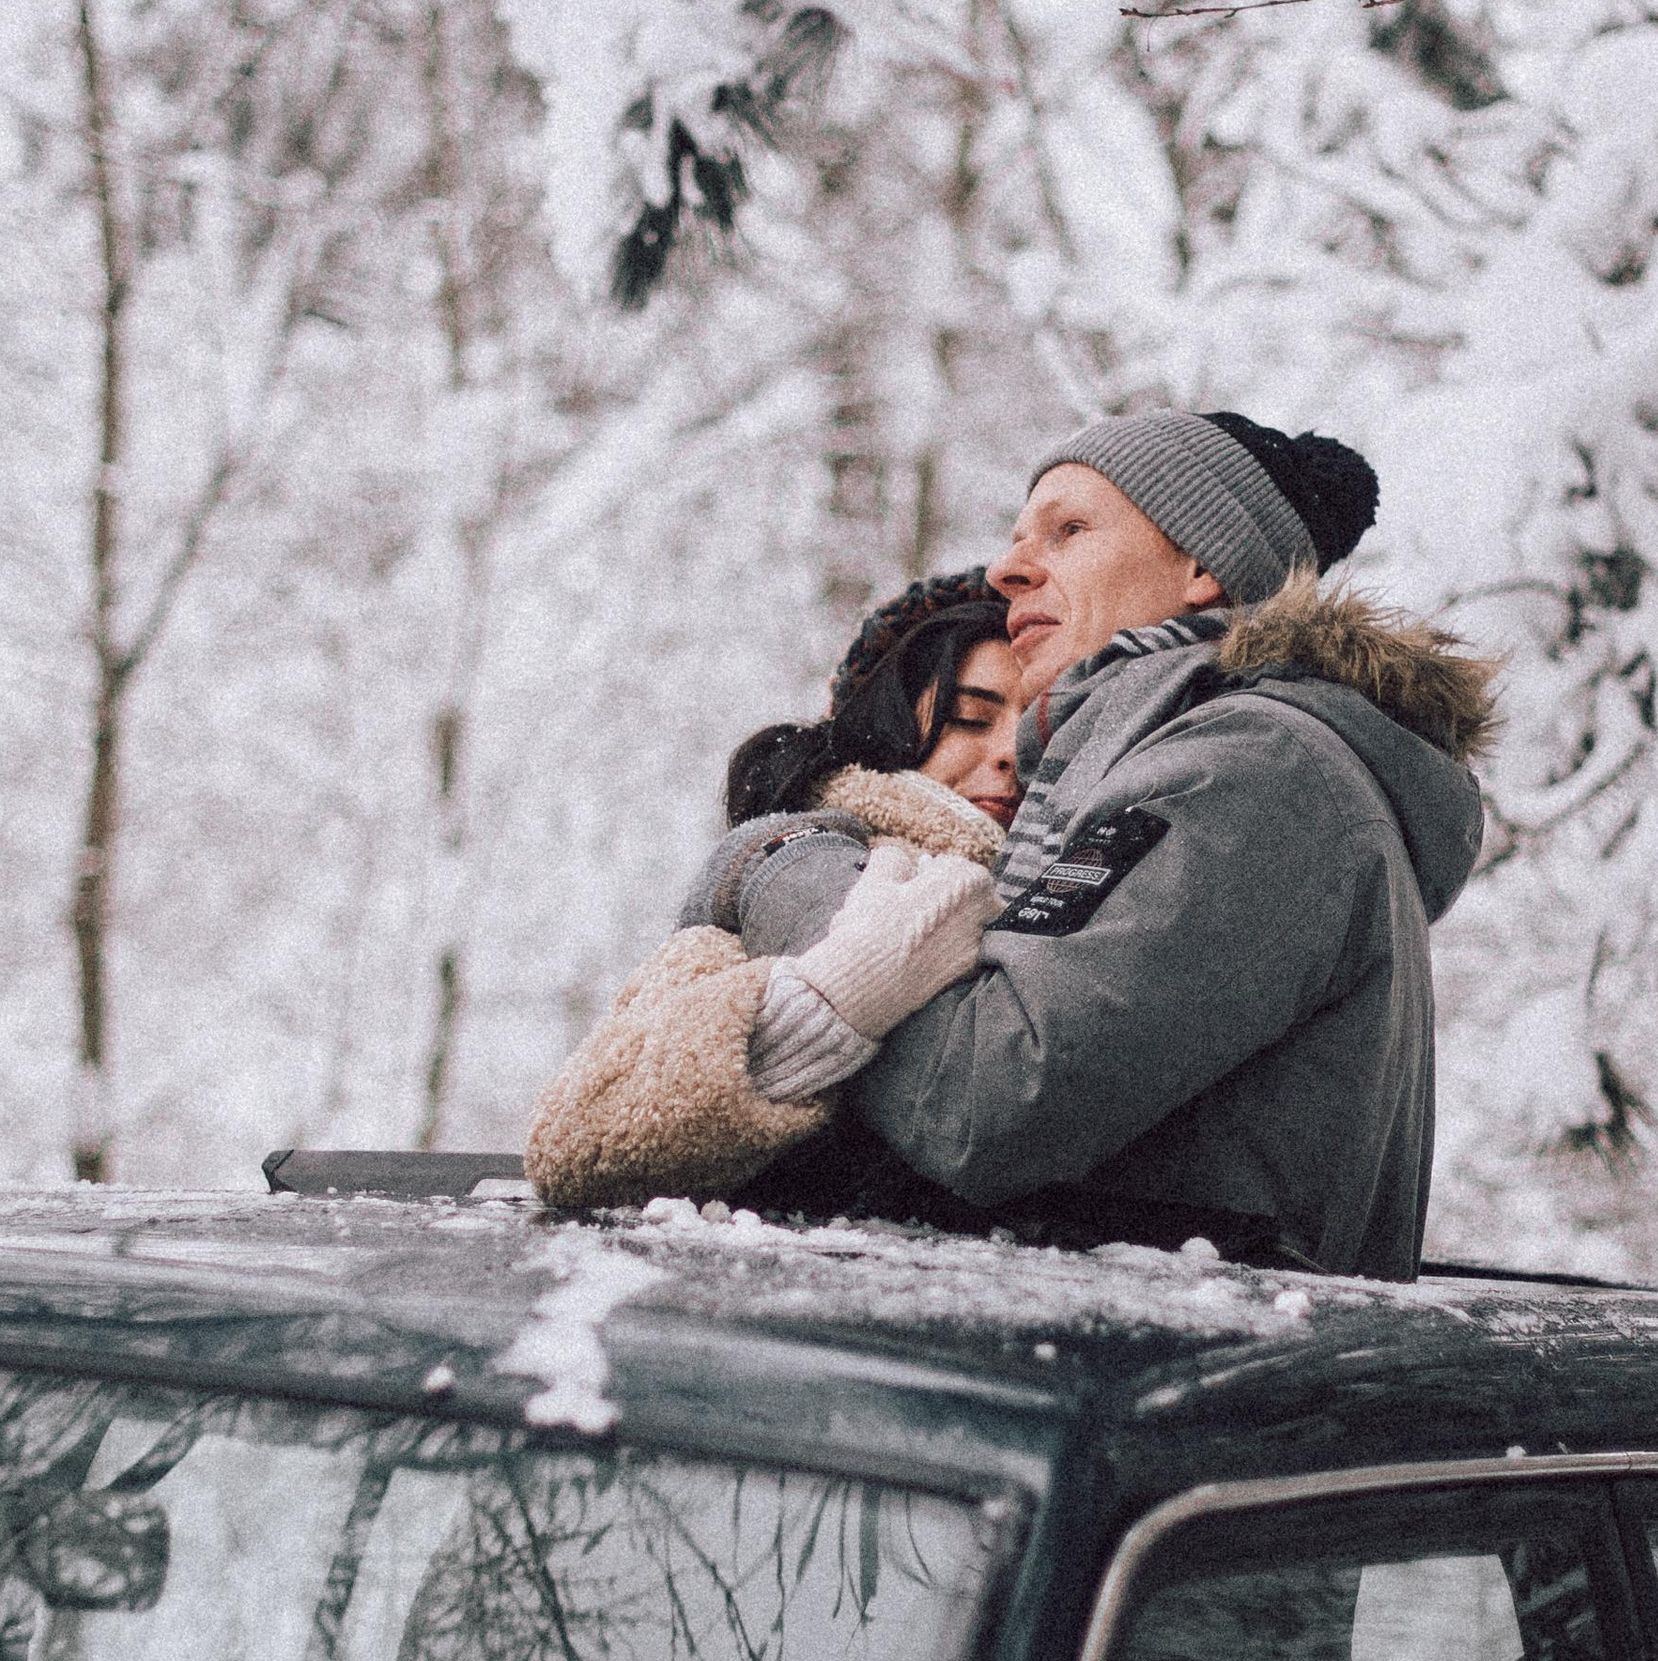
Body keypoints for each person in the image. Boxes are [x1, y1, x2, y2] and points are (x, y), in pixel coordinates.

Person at [531, 409, 1496, 1276]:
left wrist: (781, 865)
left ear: (1202, 568)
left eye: (1069, 530)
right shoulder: (1187, 761)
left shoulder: (1247, 772)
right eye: (1018, 533)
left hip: (1150, 1390)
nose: (1008, 569)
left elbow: (983, 1092)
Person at [522, 574, 1021, 1213]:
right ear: (887, 725)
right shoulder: (803, 853)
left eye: (1043, 727)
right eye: (969, 720)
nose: (1011, 753)